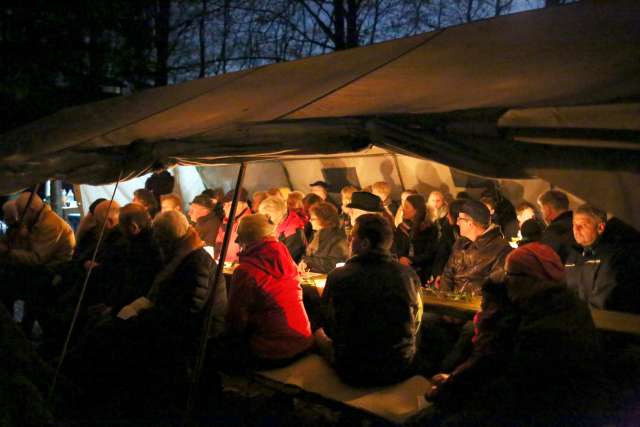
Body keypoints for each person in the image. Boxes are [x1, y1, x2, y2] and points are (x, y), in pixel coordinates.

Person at [416, 242, 611, 426]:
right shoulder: (564, 307)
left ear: (528, 279)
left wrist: (449, 388)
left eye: (509, 275)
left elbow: (503, 383)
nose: (506, 282)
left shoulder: (539, 328)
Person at [315, 214, 422, 386]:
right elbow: (416, 321)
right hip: (399, 365)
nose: (349, 241)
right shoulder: (408, 275)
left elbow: (329, 326)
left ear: (364, 243)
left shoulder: (339, 276)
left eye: (352, 237)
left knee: (317, 333)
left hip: (355, 368)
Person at [225, 214, 313, 368]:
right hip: (302, 341)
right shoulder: (286, 258)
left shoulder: (246, 271)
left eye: (239, 235)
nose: (235, 240)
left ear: (248, 238)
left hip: (273, 351)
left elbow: (236, 319)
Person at [565, 204, 640, 313]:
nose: (576, 230)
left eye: (583, 225)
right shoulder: (573, 255)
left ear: (600, 228)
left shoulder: (612, 257)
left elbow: (603, 301)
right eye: (574, 225)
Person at [440, 200, 512, 295]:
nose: (457, 223)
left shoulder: (501, 249)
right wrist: (445, 299)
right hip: (452, 304)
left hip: (476, 306)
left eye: (460, 219)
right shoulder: (460, 243)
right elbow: (447, 275)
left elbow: (494, 288)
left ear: (470, 223)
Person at [0, 192, 75, 268]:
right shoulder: (37, 221)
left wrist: (7, 252)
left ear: (31, 210)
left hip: (54, 270)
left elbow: (37, 259)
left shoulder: (51, 225)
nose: (20, 217)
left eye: (21, 213)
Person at [395, 194, 439, 282]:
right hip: (404, 269)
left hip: (423, 271)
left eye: (407, 207)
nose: (403, 210)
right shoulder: (401, 227)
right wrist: (401, 257)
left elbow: (430, 252)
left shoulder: (430, 228)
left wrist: (411, 260)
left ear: (416, 210)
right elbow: (396, 247)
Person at [302, 203, 348, 274]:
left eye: (313, 219)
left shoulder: (337, 238)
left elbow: (333, 264)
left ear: (323, 220)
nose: (310, 221)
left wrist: (308, 261)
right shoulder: (317, 235)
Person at [259, 195, 307, 263]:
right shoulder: (278, 225)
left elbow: (283, 261)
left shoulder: (294, 232)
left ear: (280, 217)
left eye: (268, 218)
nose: (265, 220)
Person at [537, 189, 577, 263]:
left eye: (541, 208)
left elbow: (545, 262)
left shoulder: (552, 232)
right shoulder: (578, 225)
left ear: (547, 208)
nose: (541, 212)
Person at [215, 189, 251, 263]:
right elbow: (219, 242)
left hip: (237, 267)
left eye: (229, 205)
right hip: (224, 265)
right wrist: (216, 257)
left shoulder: (249, 224)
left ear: (243, 205)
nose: (224, 208)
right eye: (224, 205)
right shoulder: (226, 221)